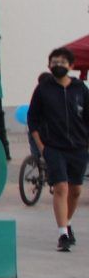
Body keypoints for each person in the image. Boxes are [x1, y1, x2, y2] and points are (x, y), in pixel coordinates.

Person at [27, 47, 89, 252]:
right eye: (54, 62)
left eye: (62, 62)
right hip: (53, 147)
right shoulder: (43, 90)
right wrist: (42, 147)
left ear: (71, 66)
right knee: (61, 188)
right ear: (49, 65)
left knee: (75, 191)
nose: (58, 65)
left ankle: (67, 223)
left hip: (79, 148)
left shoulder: (80, 88)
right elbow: (33, 120)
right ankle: (63, 234)